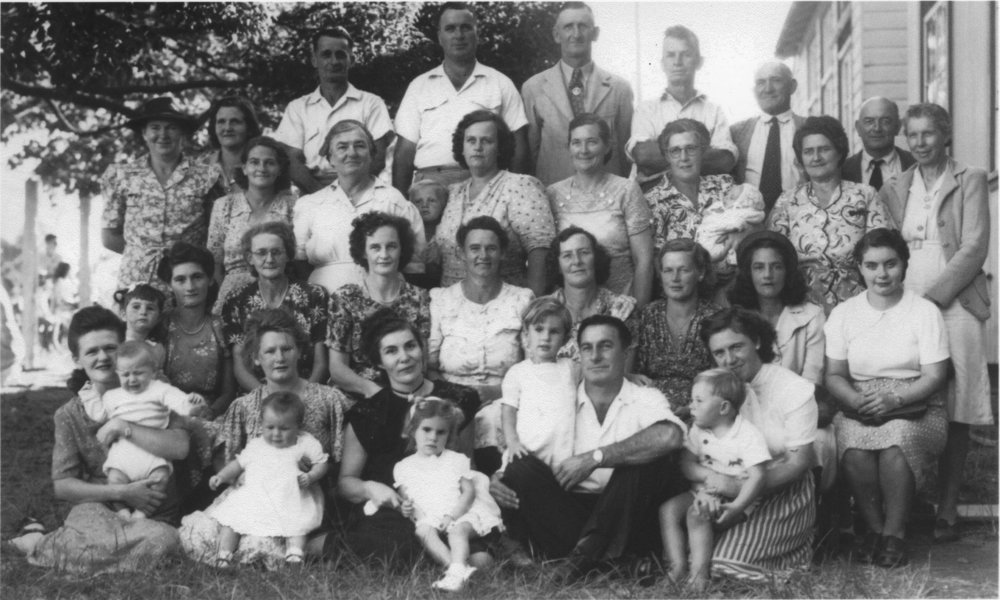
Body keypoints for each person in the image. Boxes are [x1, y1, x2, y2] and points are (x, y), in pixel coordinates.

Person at [492, 315, 687, 583]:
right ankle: (609, 564)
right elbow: (529, 444)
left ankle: (581, 562)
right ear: (579, 354)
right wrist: (502, 476)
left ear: (626, 353)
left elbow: (670, 436)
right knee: (521, 467)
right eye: (587, 348)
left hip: (629, 515)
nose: (595, 356)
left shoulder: (644, 397)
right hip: (571, 516)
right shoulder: (561, 394)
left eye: (605, 346)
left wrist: (597, 458)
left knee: (647, 461)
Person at [878, 103, 993, 543]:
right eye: (913, 135)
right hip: (906, 302)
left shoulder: (970, 179)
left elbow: (974, 247)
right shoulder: (896, 185)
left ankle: (947, 506)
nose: (921, 143)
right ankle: (909, 501)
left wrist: (931, 301)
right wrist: (904, 304)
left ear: (946, 135)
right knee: (912, 393)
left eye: (929, 134)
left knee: (958, 403)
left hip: (955, 302)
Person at [9, 307, 189, 573]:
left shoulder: (155, 390)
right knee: (119, 541)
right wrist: (123, 492)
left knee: (163, 540)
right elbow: (64, 486)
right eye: (92, 351)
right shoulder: (69, 414)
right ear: (77, 358)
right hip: (98, 508)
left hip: (153, 510)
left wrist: (125, 427)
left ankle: (55, 546)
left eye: (110, 348)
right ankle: (45, 542)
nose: (103, 357)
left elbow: (181, 447)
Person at [179, 309, 346, 569]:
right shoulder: (244, 406)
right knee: (211, 536)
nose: (279, 358)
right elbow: (227, 458)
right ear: (256, 358)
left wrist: (312, 472)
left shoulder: (328, 399)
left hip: (303, 498)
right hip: (257, 497)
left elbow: (339, 457)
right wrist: (236, 477)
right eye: (269, 351)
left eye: (286, 349)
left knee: (266, 546)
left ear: (299, 352)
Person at [824, 228, 949, 567]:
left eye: (891, 264)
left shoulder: (924, 311)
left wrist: (896, 399)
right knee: (852, 445)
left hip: (916, 401)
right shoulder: (843, 313)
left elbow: (936, 375)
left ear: (904, 265)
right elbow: (834, 374)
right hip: (860, 402)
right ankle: (875, 531)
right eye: (872, 265)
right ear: (860, 269)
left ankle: (895, 533)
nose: (882, 274)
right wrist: (852, 399)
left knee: (897, 442)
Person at [333, 310, 479, 563]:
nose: (404, 357)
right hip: (396, 507)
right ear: (379, 362)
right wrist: (369, 488)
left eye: (410, 346)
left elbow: (468, 463)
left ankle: (452, 553)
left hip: (447, 502)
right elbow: (346, 482)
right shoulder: (367, 413)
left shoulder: (458, 400)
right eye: (391, 351)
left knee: (466, 538)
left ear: (421, 349)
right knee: (395, 547)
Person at [700, 307, 817, 581]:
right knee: (697, 554)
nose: (729, 359)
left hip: (783, 488)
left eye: (736, 347)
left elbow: (798, 462)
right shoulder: (714, 392)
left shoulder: (793, 388)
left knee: (724, 565)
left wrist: (743, 489)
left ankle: (794, 553)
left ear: (757, 341)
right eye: (719, 353)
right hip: (727, 484)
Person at [393, 2, 529, 192]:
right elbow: (404, 153)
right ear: (440, 37)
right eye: (450, 29)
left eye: (466, 27)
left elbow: (519, 147)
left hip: (486, 183)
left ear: (477, 34)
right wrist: (401, 206)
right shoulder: (419, 86)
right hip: (429, 187)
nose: (458, 35)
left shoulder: (500, 83)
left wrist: (515, 192)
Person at [767, 115, 892, 314]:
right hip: (802, 307)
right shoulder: (787, 201)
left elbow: (885, 250)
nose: (816, 158)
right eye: (808, 151)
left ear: (839, 152)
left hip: (859, 304)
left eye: (824, 149)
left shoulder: (865, 195)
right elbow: (774, 255)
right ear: (801, 158)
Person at [659, 368, 770, 591]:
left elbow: (759, 476)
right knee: (668, 510)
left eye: (699, 400)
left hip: (731, 496)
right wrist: (709, 479)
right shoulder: (698, 430)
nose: (691, 405)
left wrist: (738, 506)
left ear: (723, 408)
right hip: (702, 490)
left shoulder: (747, 434)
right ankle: (677, 565)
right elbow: (687, 465)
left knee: (696, 514)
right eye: (692, 399)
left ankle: (700, 575)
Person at [101, 96, 220, 291]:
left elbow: (216, 233)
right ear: (144, 133)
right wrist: (141, 254)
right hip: (136, 282)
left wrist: (185, 259)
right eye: (155, 127)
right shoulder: (122, 176)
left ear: (181, 133)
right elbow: (109, 236)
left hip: (186, 281)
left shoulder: (205, 176)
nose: (163, 135)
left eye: (171, 128)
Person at [293, 120, 425, 293]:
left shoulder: (394, 201)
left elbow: (414, 267)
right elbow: (299, 262)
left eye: (360, 146)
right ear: (330, 158)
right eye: (342, 147)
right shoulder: (310, 205)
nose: (352, 153)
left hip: (383, 303)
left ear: (371, 155)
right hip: (323, 301)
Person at [432, 111, 555, 296]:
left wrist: (532, 304)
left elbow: (541, 252)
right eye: (471, 141)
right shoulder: (452, 193)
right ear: (462, 147)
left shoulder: (520, 186)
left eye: (486, 141)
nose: (478, 147)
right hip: (452, 306)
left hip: (506, 306)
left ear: (500, 147)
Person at [208, 391, 330, 566]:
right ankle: (224, 554)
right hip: (256, 496)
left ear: (298, 426)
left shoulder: (305, 443)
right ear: (262, 425)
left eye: (284, 428)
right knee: (232, 520)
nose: (276, 434)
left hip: (291, 498)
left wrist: (311, 476)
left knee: (297, 525)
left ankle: (294, 553)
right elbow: (238, 464)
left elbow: (322, 463)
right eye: (270, 427)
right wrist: (221, 476)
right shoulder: (257, 445)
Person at [394, 397, 502, 592]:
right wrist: (406, 508)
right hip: (430, 518)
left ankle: (457, 569)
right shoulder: (403, 467)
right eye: (426, 430)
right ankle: (455, 569)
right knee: (422, 531)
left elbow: (468, 493)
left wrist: (452, 516)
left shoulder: (456, 460)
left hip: (459, 515)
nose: (433, 437)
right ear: (412, 431)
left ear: (449, 435)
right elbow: (407, 500)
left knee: (463, 538)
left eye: (440, 432)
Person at [521, 2, 633, 185]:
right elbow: (530, 153)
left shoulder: (619, 88)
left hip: (607, 197)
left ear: (595, 33)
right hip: (553, 194)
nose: (576, 34)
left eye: (583, 26)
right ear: (557, 35)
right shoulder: (533, 88)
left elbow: (624, 151)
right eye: (568, 27)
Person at [547, 113, 654, 305]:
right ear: (569, 148)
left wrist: (638, 311)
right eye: (576, 142)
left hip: (621, 305)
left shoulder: (626, 190)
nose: (584, 150)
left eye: (592, 142)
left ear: (606, 146)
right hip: (570, 307)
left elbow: (644, 260)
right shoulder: (553, 194)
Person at [273, 27, 394, 193]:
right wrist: (323, 196)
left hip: (362, 192)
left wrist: (346, 193)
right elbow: (291, 161)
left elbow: (378, 157)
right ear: (314, 60)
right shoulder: (298, 108)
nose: (334, 61)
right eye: (326, 54)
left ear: (351, 59)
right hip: (312, 192)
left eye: (340, 55)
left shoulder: (371, 103)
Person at [429, 216, 534, 405]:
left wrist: (497, 393)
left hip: (508, 402)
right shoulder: (441, 300)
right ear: (462, 254)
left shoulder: (521, 300)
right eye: (475, 248)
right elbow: (429, 367)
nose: (483, 255)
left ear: (502, 253)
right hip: (450, 404)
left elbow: (532, 365)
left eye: (491, 248)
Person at [327, 212, 430, 399]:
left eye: (391, 246)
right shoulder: (345, 298)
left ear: (402, 249)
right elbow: (337, 368)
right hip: (357, 394)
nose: (384, 255)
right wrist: (373, 392)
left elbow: (422, 360)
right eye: (375, 247)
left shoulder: (418, 297)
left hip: (408, 391)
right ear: (363, 252)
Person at [99, 341, 208, 519]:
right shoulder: (112, 396)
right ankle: (122, 511)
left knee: (160, 479)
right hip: (123, 454)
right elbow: (100, 415)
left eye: (139, 373)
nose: (132, 379)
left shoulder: (160, 389)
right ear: (118, 374)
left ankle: (142, 513)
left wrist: (192, 404)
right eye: (125, 375)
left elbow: (180, 402)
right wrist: (88, 397)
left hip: (153, 454)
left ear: (153, 372)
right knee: (114, 480)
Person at [644, 119, 764, 277]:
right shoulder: (653, 201)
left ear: (703, 150)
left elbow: (757, 223)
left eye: (691, 148)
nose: (684, 157)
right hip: (688, 291)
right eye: (675, 151)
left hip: (734, 283)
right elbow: (658, 263)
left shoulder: (725, 185)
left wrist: (747, 231)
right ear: (667, 156)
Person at [221, 221, 328, 392]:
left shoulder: (314, 295)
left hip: (307, 392)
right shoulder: (236, 300)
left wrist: (305, 396)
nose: (269, 259)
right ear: (250, 258)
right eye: (261, 253)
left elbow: (321, 362)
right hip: (257, 394)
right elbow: (240, 365)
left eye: (276, 252)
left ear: (288, 255)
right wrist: (267, 398)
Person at [628, 26, 737, 191]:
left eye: (685, 55)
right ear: (662, 63)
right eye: (671, 55)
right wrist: (698, 154)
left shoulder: (713, 111)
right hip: (651, 196)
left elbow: (723, 160)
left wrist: (662, 158)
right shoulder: (647, 109)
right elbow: (644, 155)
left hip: (703, 199)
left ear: (699, 61)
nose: (677, 62)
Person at [207, 136, 297, 312]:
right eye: (254, 162)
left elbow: (297, 258)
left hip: (278, 292)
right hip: (232, 294)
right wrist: (225, 295)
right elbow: (214, 261)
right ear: (244, 168)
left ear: (279, 169)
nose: (261, 168)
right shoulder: (225, 205)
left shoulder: (293, 205)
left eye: (269, 163)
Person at [635, 239, 720, 417]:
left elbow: (722, 379)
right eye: (668, 271)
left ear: (701, 273)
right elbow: (633, 373)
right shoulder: (647, 316)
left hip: (704, 411)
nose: (675, 279)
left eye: (684, 270)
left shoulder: (716, 318)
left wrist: (691, 409)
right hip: (649, 409)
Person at [728, 230, 825, 384]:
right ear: (748, 273)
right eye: (759, 267)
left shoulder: (812, 315)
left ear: (787, 272)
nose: (767, 275)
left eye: (776, 267)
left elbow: (812, 379)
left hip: (800, 402)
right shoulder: (735, 319)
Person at [157, 242, 237, 418]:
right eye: (180, 279)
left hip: (211, 416)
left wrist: (210, 412)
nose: (190, 286)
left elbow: (228, 392)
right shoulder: (160, 327)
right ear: (170, 285)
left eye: (197, 277)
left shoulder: (221, 328)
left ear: (209, 280)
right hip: (165, 416)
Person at [501, 298, 577, 470]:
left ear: (565, 339)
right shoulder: (517, 372)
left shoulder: (569, 368)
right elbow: (508, 412)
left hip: (561, 456)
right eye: (539, 329)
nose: (546, 337)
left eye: (554, 331)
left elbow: (596, 375)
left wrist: (629, 376)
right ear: (527, 334)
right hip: (527, 452)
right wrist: (512, 442)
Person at [545, 226, 637, 362]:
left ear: (596, 258)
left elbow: (623, 371)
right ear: (558, 266)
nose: (576, 261)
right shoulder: (544, 310)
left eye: (584, 252)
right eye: (567, 255)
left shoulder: (621, 309)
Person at [730, 61, 806, 215]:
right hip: (748, 222)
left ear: (792, 86)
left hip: (798, 217)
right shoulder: (737, 132)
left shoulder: (808, 128)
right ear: (754, 90)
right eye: (761, 82)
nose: (768, 89)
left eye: (776, 80)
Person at [841, 97, 916, 191]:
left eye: (885, 121)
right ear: (858, 128)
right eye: (869, 121)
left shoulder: (915, 165)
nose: (877, 128)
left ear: (897, 126)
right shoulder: (841, 171)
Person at [198, 95, 263, 200]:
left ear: (249, 127)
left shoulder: (263, 167)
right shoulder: (201, 167)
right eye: (221, 122)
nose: (227, 128)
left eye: (235, 121)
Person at [113, 285, 167, 369]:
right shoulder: (114, 344)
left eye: (150, 308)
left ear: (158, 318)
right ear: (123, 314)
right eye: (136, 307)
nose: (143, 312)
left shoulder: (157, 349)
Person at [407, 179, 448, 288]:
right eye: (418, 201)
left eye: (431, 200)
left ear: (443, 204)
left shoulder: (446, 231)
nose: (424, 205)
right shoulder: (409, 232)